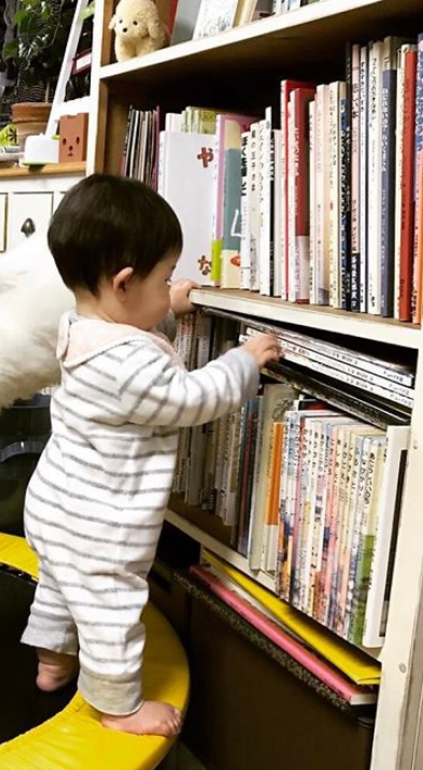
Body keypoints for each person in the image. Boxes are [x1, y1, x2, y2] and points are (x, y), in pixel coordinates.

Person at [21, 174, 281, 736]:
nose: (169, 290)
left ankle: (52, 661)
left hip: (53, 507)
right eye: (164, 280)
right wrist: (242, 361)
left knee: (61, 587)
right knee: (109, 606)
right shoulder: (130, 366)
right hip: (98, 525)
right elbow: (189, 397)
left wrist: (167, 309)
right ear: (122, 284)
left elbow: (134, 334)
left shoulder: (81, 329)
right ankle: (118, 707)